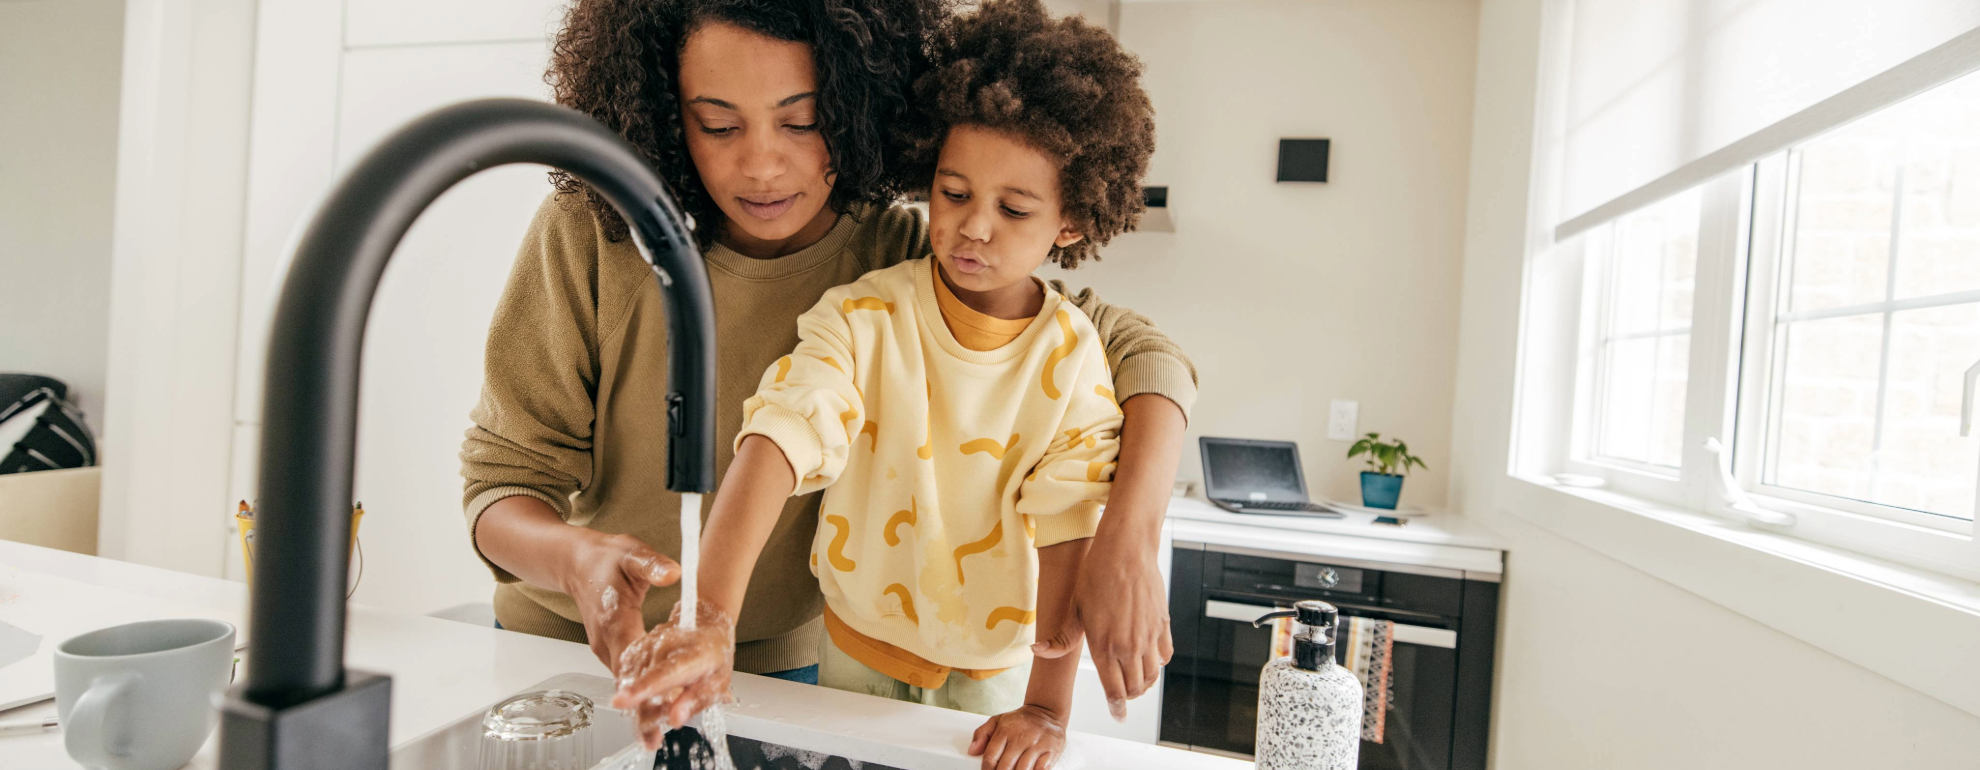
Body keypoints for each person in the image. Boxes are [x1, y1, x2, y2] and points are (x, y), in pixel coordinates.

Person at [460, 0, 1192, 714]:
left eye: (801, 121)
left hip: (796, 670)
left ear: (852, 104)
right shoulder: (594, 232)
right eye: (717, 124)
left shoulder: (901, 255)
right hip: (566, 653)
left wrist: (1129, 538)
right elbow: (502, 485)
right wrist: (577, 564)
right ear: (663, 111)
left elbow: (1135, 350)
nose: (762, 165)